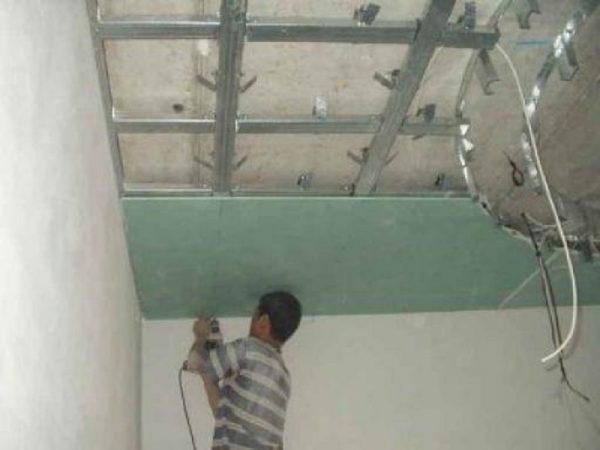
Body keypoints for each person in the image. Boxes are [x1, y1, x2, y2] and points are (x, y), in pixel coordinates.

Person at [186, 291, 302, 450]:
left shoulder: (247, 349)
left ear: (263, 323)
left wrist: (201, 336)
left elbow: (198, 363)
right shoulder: (284, 377)